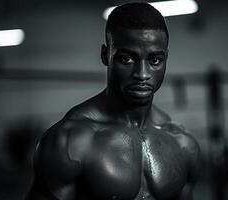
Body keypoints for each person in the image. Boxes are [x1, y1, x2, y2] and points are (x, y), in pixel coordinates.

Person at [27, 3, 200, 200]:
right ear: (105, 55)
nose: (142, 74)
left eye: (154, 60)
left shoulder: (183, 144)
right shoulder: (69, 142)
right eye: (126, 59)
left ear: (166, 58)